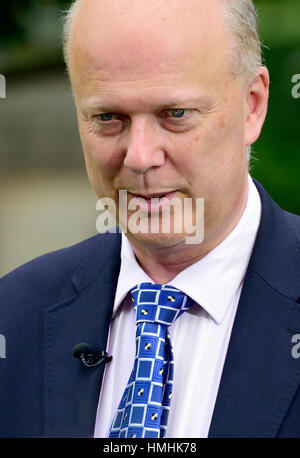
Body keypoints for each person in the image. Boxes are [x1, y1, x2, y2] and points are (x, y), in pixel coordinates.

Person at [0, 0, 300, 439]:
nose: (139, 157)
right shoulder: (14, 315)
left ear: (252, 105)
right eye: (108, 118)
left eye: (175, 114)